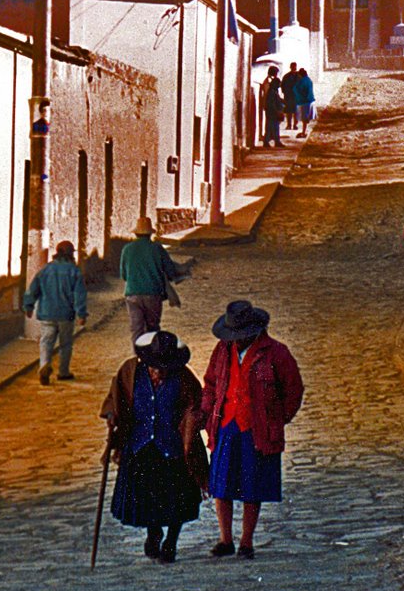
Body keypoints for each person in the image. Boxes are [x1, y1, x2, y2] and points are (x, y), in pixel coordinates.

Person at [201, 300, 304, 560]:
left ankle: (246, 541)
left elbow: (293, 390)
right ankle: (225, 539)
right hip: (226, 424)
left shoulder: (276, 353)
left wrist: (277, 418)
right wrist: (206, 412)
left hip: (255, 429)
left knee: (252, 486)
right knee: (221, 486)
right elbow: (211, 383)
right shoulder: (222, 351)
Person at [100, 330, 208, 564]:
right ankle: (154, 532)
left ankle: (171, 541)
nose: (160, 371)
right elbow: (115, 397)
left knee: (176, 500)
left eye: (165, 366)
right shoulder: (130, 372)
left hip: (173, 447)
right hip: (141, 446)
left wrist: (192, 421)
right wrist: (111, 414)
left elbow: (197, 404)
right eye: (156, 366)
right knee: (148, 499)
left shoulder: (183, 377)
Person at [23, 240, 87, 384]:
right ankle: (63, 372)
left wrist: (29, 306)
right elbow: (79, 295)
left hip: (47, 313)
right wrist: (81, 314)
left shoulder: (45, 270)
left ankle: (44, 364)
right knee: (65, 344)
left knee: (46, 342)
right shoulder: (74, 271)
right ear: (71, 254)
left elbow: (33, 289)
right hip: (66, 315)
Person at [120, 216, 180, 348]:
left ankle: (138, 357)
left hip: (132, 294)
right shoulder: (157, 249)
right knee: (153, 328)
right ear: (150, 234)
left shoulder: (127, 249)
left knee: (136, 329)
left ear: (136, 233)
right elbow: (170, 270)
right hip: (153, 294)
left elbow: (123, 275)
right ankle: (153, 356)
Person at [263, 69, 285, 148]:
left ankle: (273, 141)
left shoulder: (273, 91)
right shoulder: (271, 92)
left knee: (272, 127)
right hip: (272, 112)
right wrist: (277, 111)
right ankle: (271, 141)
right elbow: (271, 103)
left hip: (272, 112)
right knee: (271, 127)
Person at [293, 67, 315, 138]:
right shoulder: (309, 80)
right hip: (310, 101)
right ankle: (304, 131)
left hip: (304, 102)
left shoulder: (302, 81)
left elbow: (296, 89)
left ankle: (304, 132)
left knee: (304, 118)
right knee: (306, 118)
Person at [281, 61, 299, 131]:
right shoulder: (286, 76)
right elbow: (283, 86)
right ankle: (289, 125)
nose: (294, 68)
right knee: (289, 112)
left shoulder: (299, 76)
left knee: (296, 112)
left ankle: (295, 125)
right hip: (289, 96)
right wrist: (285, 93)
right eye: (292, 67)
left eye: (294, 67)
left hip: (297, 97)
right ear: (290, 67)